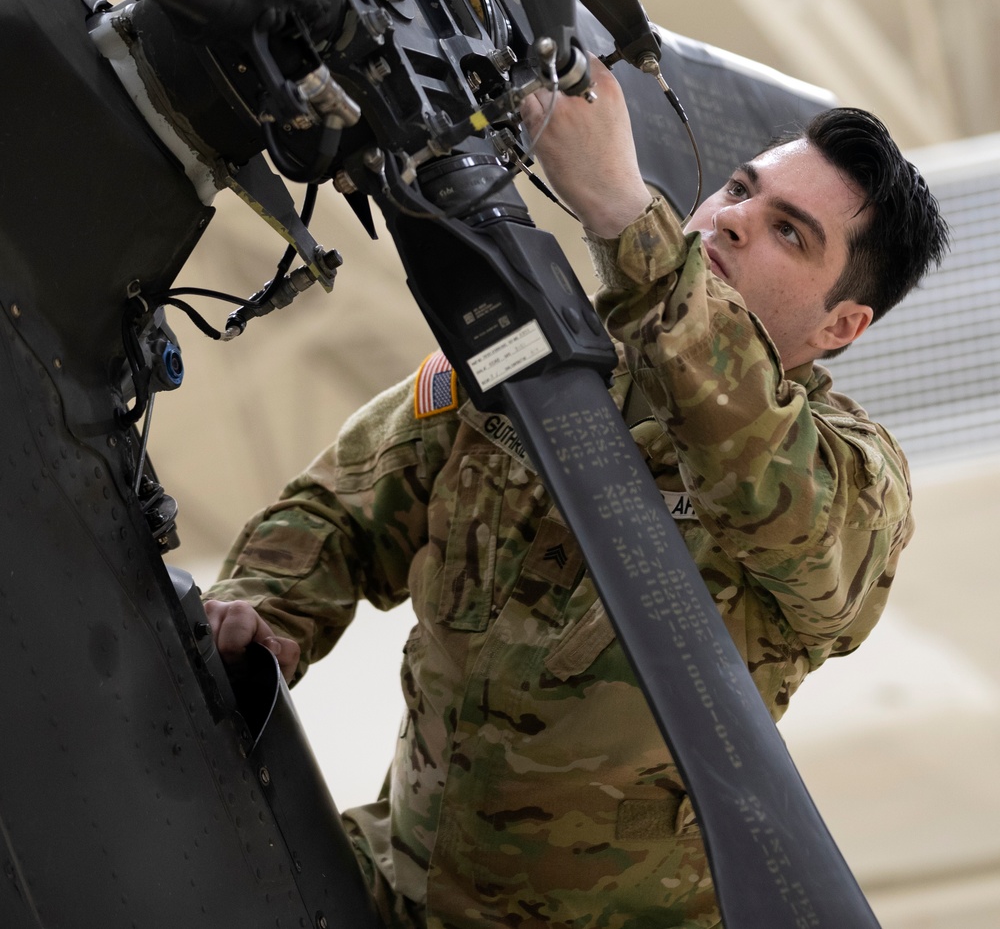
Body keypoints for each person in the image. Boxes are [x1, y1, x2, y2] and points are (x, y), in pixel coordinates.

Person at [203, 59, 948, 929]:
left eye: (790, 232)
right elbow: (341, 513)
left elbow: (755, 463)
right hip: (396, 895)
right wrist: (262, 614)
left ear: (840, 327)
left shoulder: (848, 481)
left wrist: (627, 216)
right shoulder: (529, 365)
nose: (738, 220)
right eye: (743, 191)